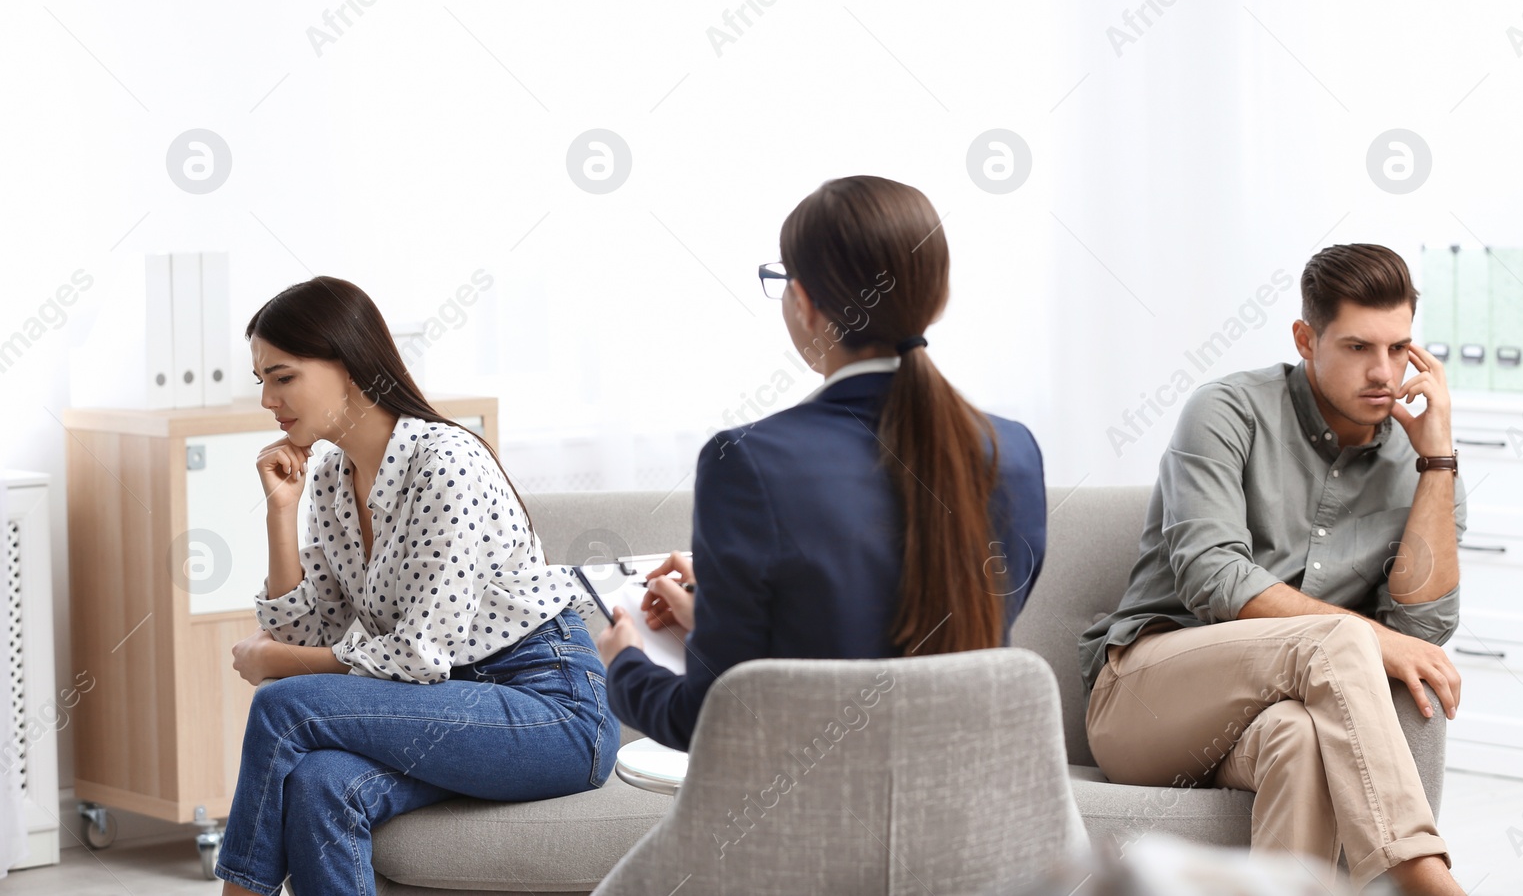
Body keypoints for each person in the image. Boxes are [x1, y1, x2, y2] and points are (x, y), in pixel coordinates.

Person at [597, 174, 1050, 752]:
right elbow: (916, 657)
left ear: (805, 303)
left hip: (802, 830)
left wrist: (625, 663)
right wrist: (723, 616)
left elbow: (712, 722)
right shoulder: (1012, 452)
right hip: (974, 828)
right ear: (936, 296)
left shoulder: (747, 461)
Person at [1079, 244, 1468, 895]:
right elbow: (1212, 576)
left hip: (1270, 719)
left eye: (1400, 349)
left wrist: (1437, 464)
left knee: (1301, 740)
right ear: (1306, 339)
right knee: (1345, 637)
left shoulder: (1420, 458)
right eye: (1357, 347)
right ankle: (1424, 875)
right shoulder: (1226, 410)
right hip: (1143, 700)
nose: (1384, 371)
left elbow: (1420, 630)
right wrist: (1368, 637)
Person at [214, 276, 618, 896]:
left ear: (347, 364)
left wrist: (274, 660)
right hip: (446, 707)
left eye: (283, 375)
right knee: (323, 782)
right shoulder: (328, 475)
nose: (268, 399)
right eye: (262, 379)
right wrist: (279, 512)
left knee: (282, 705)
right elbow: (310, 632)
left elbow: (414, 656)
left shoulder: (445, 460)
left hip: (550, 711)